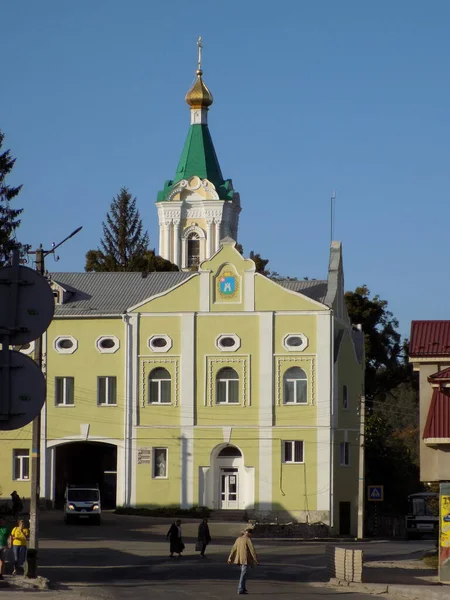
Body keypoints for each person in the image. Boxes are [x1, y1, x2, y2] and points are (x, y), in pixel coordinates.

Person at [228, 527, 259, 595]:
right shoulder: (247, 540)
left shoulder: (238, 539)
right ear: (249, 534)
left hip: (239, 559)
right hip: (245, 559)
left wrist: (230, 557)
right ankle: (240, 589)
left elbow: (233, 549)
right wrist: (256, 560)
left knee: (244, 574)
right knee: (243, 574)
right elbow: (252, 550)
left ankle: (243, 588)